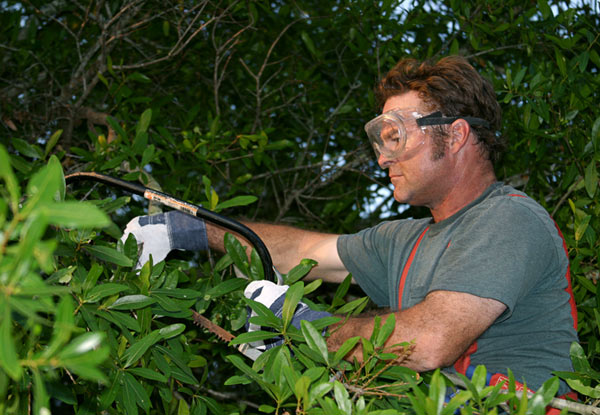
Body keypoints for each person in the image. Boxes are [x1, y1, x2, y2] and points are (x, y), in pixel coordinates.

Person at [122, 56, 578, 396]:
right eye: (379, 140)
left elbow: (427, 343)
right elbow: (300, 251)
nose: (382, 157)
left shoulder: (508, 218)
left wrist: (301, 326)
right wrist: (189, 229)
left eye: (395, 135)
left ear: (455, 135)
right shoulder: (405, 240)